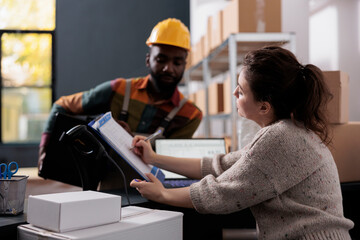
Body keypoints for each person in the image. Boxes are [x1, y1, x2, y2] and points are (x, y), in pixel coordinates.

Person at [130, 46, 354, 239]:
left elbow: (221, 193)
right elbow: (221, 165)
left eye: (242, 90)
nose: (235, 92)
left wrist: (163, 194)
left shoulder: (281, 138)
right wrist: (154, 158)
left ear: (264, 107)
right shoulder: (289, 131)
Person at [38, 18, 203, 188]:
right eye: (161, 59)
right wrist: (45, 149)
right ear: (148, 59)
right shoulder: (119, 89)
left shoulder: (190, 114)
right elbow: (62, 105)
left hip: (157, 196)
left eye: (177, 62)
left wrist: (128, 140)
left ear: (185, 64)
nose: (169, 68)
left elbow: (171, 165)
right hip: (109, 189)